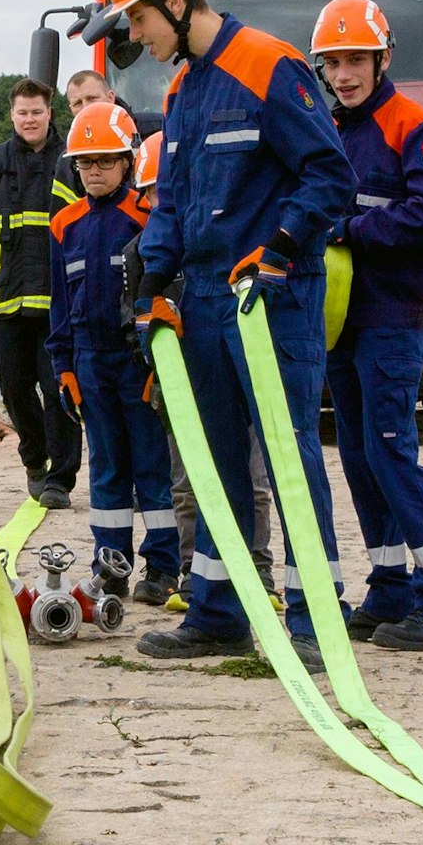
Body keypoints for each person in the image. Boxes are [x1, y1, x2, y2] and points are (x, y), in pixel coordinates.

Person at [94, 0, 355, 666]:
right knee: (212, 457)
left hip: (270, 295)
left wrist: (279, 248)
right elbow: (171, 201)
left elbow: (328, 176)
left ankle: (312, 616)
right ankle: (218, 609)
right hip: (203, 299)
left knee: (287, 451)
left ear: (175, 0)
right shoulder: (181, 90)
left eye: (139, 19)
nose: (137, 36)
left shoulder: (271, 67)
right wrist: (149, 281)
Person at [311, 0, 423, 652]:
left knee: (388, 449)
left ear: (382, 59)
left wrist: (354, 229)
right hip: (343, 318)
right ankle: (389, 585)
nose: (344, 73)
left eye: (355, 60)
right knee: (356, 452)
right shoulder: (337, 127)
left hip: (393, 313)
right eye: (334, 62)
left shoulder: (413, 127)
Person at [121, 132, 283, 613]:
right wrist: (150, 365)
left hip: (232, 376)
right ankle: (195, 575)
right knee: (186, 485)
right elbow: (132, 319)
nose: (161, 200)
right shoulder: (140, 256)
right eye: (152, 192)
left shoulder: (222, 241)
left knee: (252, 479)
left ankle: (259, 570)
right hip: (177, 388)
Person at [46, 103, 179, 605]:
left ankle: (162, 567)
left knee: (151, 469)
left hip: (135, 361)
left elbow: (168, 291)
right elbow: (59, 307)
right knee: (105, 471)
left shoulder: (145, 217)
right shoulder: (64, 226)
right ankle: (111, 569)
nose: (94, 171)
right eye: (84, 162)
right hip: (89, 362)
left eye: (104, 160)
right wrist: (63, 369)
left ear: (127, 161)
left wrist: (159, 367)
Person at [0, 77, 82, 509]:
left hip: (57, 303)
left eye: (36, 112)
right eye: (22, 112)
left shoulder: (72, 160)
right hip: (6, 302)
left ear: (50, 114)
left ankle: (60, 479)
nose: (29, 119)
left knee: (58, 388)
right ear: (12, 115)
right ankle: (34, 461)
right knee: (15, 389)